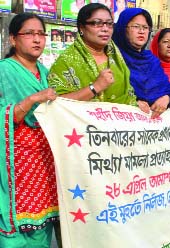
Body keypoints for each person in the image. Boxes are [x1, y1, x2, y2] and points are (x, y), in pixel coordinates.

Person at [0, 13, 59, 247]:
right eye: (29, 34)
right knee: (19, 229)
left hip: (43, 163)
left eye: (41, 34)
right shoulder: (5, 70)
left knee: (42, 224)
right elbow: (7, 114)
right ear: (14, 39)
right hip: (17, 163)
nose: (37, 40)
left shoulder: (44, 72)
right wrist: (32, 99)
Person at [48, 3, 136, 106]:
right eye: (97, 23)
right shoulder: (66, 61)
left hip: (120, 120)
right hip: (83, 121)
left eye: (109, 24)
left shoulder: (116, 56)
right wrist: (95, 87)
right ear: (81, 28)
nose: (105, 29)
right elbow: (55, 103)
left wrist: (137, 104)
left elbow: (128, 93)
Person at [113, 8, 170, 118]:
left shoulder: (152, 61)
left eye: (145, 27)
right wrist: (131, 102)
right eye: (136, 27)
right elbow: (109, 93)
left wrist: (166, 98)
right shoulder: (112, 57)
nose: (142, 31)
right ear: (122, 29)